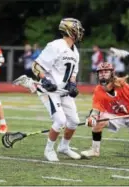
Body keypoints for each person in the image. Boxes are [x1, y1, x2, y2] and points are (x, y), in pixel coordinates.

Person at [31, 18, 85, 161]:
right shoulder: (56, 45)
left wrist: (73, 85)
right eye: (78, 29)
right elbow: (36, 66)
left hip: (63, 91)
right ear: (70, 30)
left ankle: (64, 147)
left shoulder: (75, 52)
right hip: (49, 90)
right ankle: (49, 150)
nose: (80, 32)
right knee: (60, 120)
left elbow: (72, 74)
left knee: (74, 121)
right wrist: (45, 80)